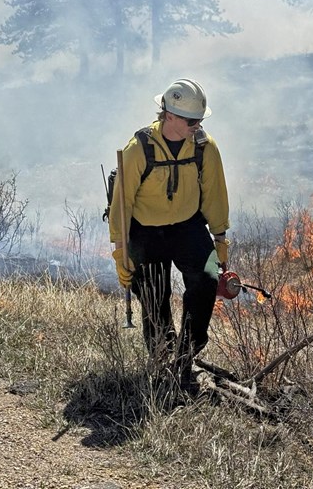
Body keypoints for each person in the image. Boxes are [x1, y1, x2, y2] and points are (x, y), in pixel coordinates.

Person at [109, 78, 230, 393]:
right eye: (192, 120)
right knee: (154, 298)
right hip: (145, 231)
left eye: (200, 120)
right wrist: (121, 251)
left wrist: (220, 241)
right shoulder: (139, 150)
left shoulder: (205, 147)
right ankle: (163, 364)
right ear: (169, 115)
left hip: (187, 227)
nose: (197, 125)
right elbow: (122, 203)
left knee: (205, 283)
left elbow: (215, 195)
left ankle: (186, 356)